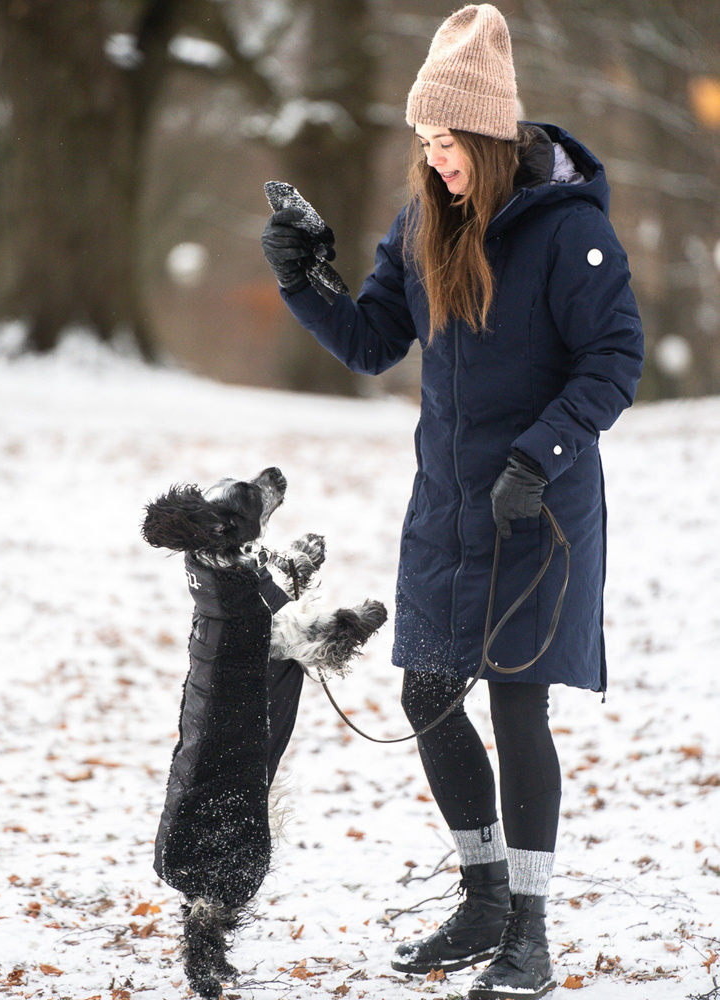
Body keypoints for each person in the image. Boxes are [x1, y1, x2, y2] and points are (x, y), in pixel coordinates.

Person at [261, 5, 644, 998]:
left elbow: (616, 357)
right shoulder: (422, 225)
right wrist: (304, 277)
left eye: (449, 143)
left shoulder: (573, 235)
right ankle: (479, 893)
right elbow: (371, 341)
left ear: (487, 134)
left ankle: (529, 929)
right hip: (449, 506)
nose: (437, 163)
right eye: (424, 144)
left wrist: (542, 453)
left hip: (540, 506)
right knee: (428, 693)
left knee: (518, 707)